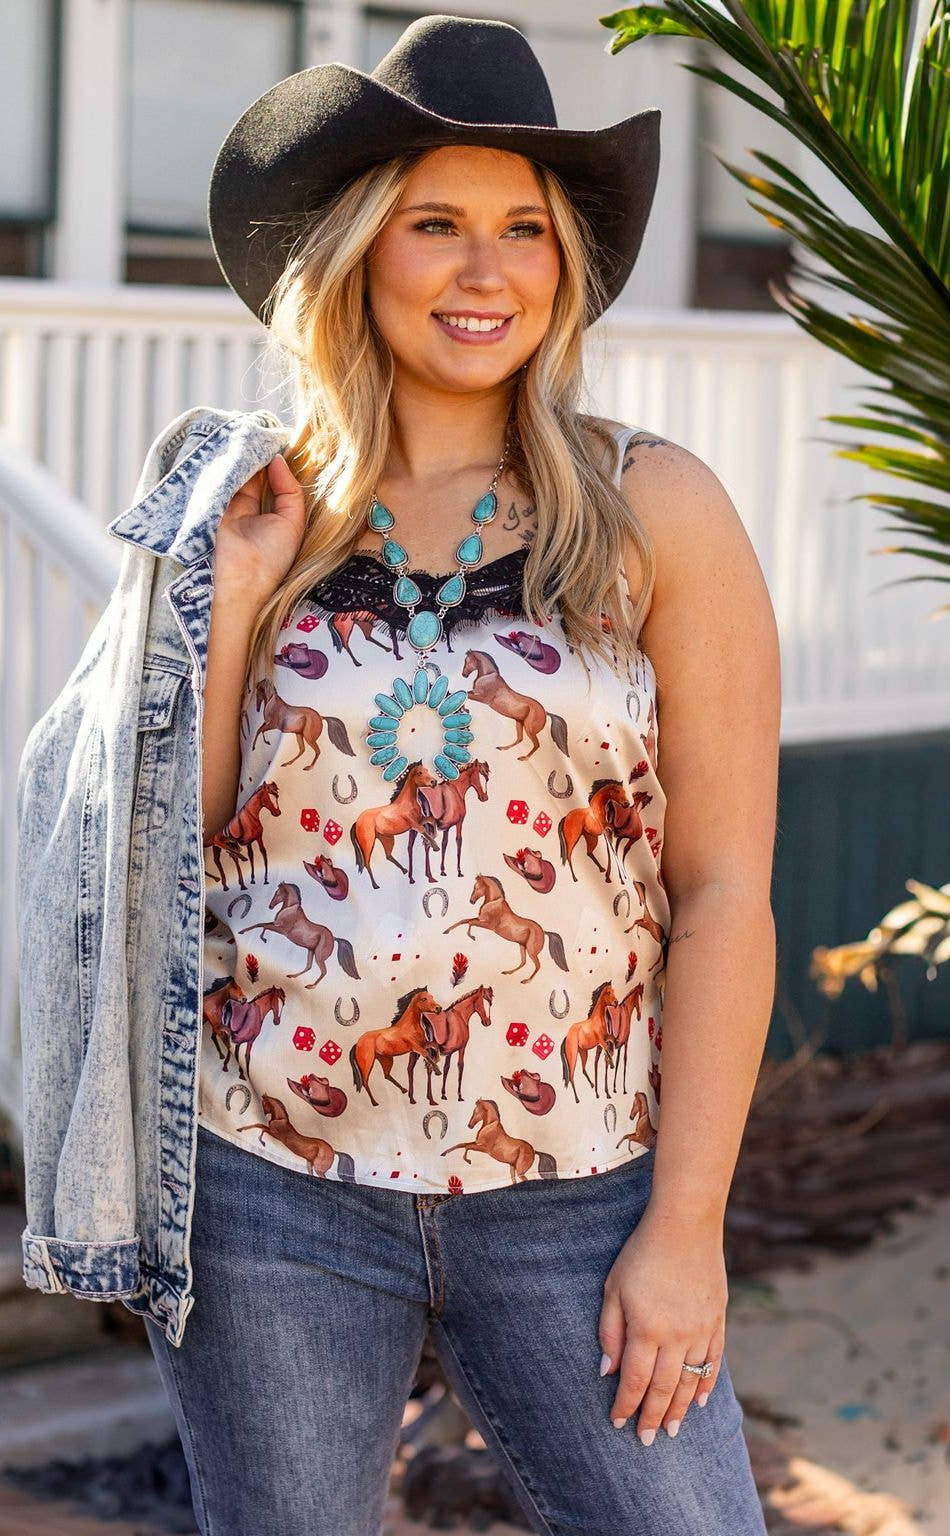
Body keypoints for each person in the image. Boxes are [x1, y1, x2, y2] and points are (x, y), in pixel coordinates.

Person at [135, 14, 777, 1534]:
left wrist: (685, 1226)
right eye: (437, 224)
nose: (485, 272)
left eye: (522, 229)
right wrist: (225, 607)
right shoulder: (258, 512)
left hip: (583, 1191)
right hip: (268, 1187)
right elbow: (181, 839)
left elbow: (725, 888)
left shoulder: (650, 509)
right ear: (361, 248)